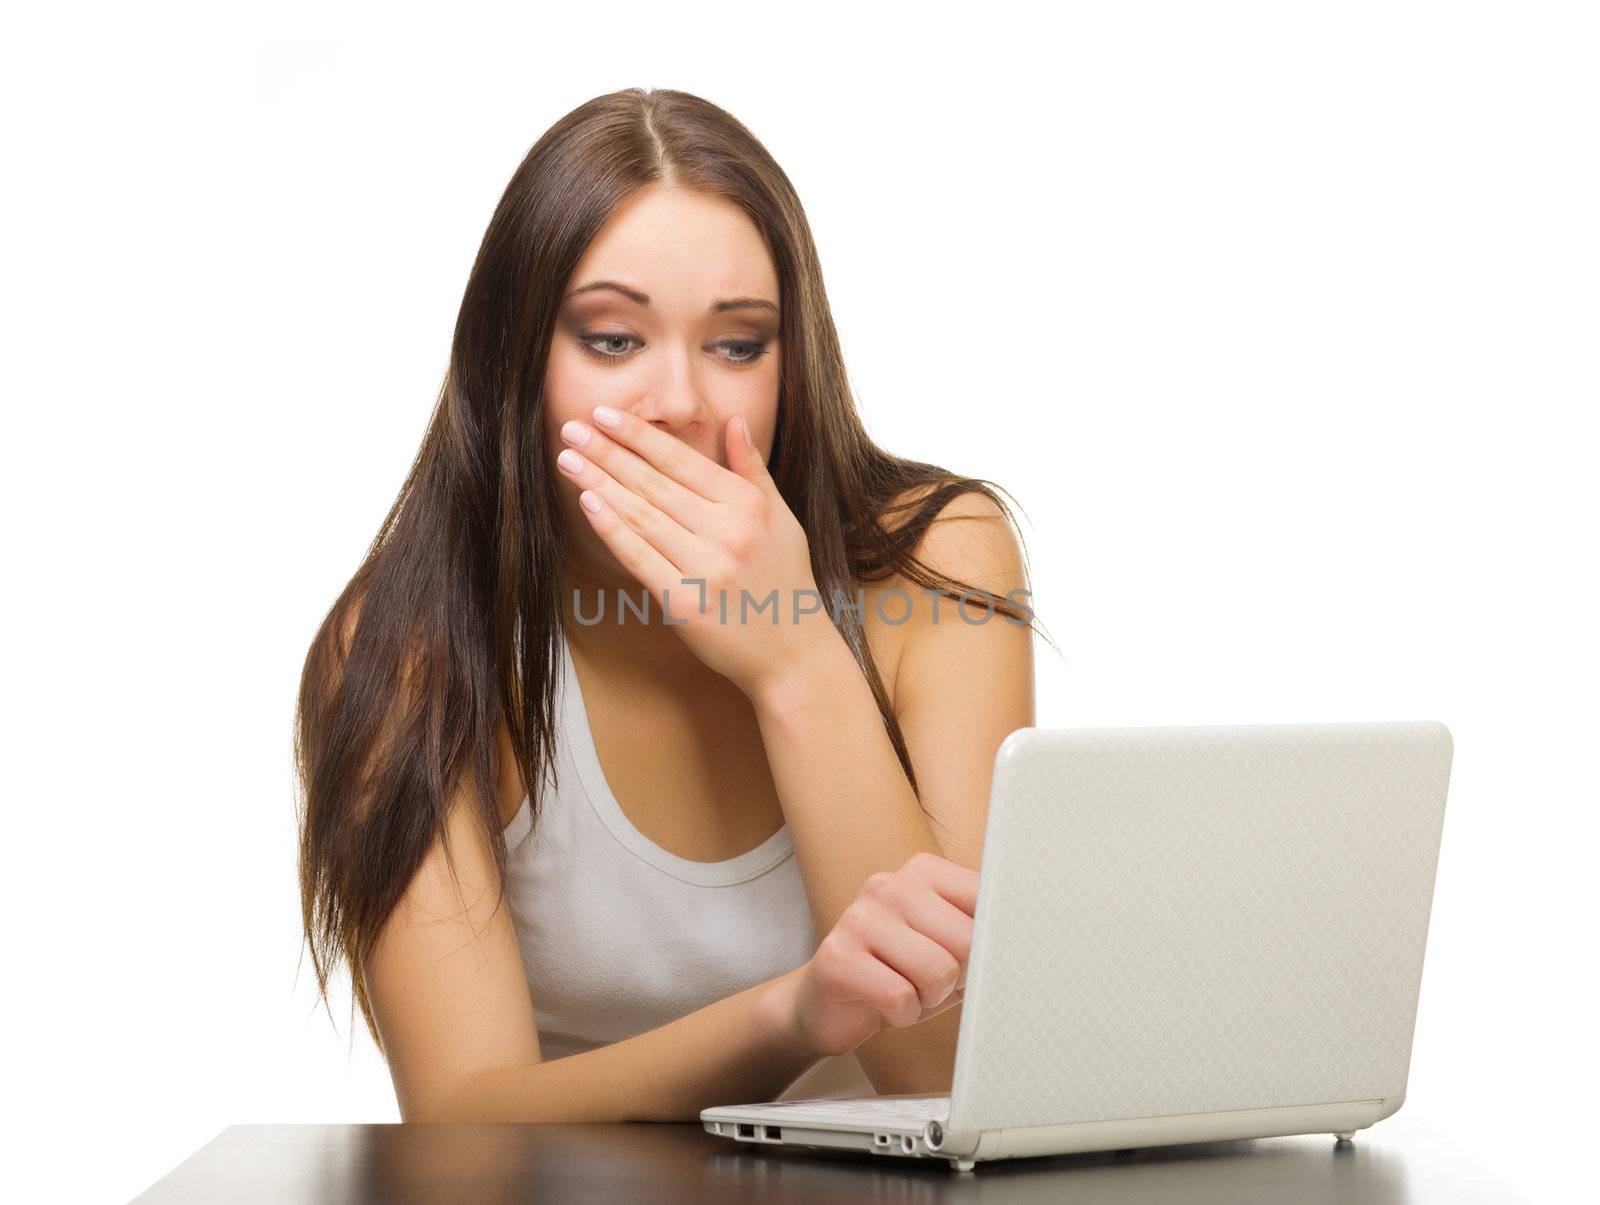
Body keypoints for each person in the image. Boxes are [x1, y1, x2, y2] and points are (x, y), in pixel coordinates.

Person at [294, 87, 1044, 1123]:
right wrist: (792, 1014)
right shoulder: (406, 644)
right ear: (516, 362)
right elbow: (462, 1120)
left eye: (738, 345)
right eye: (611, 339)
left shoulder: (936, 561)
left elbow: (954, 1070)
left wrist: (798, 663)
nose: (681, 401)